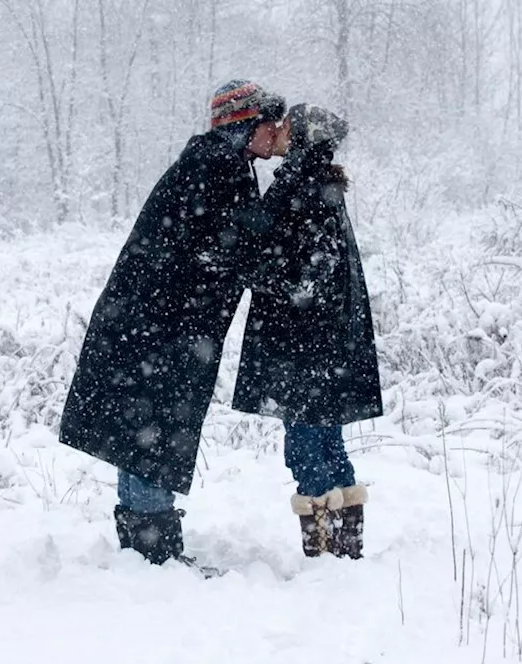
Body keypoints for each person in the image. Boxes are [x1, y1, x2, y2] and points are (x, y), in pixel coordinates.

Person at [58, 79, 288, 568]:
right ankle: (151, 554)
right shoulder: (217, 169)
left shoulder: (218, 164)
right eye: (270, 123)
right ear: (247, 124)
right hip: (159, 327)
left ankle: (145, 550)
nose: (277, 133)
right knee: (151, 427)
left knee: (145, 427)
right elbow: (241, 249)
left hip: (155, 323)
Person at [232, 103, 383, 559]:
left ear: (303, 138)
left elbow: (306, 271)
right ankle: (345, 542)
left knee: (305, 446)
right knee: (327, 440)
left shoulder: (301, 187)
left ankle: (323, 549)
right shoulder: (321, 184)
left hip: (301, 342)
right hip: (323, 342)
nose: (278, 130)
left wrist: (255, 271)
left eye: (288, 125)